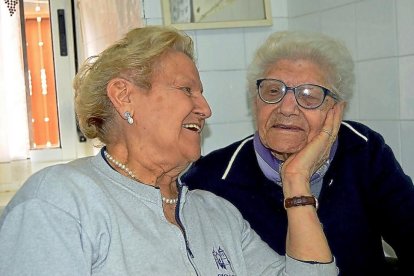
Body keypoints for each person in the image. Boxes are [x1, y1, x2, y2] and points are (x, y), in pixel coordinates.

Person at [0, 26, 339, 275]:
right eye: (186, 89)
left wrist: (295, 183)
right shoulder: (59, 202)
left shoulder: (216, 214)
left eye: (201, 93)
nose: (205, 109)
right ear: (124, 96)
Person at [181, 31, 414, 276]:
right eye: (273, 91)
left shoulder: (362, 150)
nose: (287, 108)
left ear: (335, 111)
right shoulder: (211, 180)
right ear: (255, 102)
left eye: (309, 96)